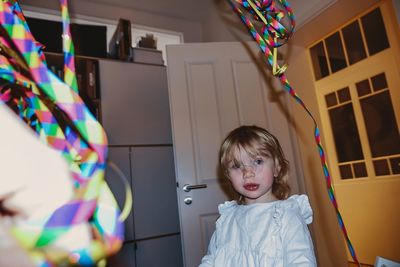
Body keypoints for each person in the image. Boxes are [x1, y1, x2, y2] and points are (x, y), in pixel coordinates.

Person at [199, 125, 317, 267]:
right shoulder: (227, 219)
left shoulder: (286, 215)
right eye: (236, 166)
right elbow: (212, 258)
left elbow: (302, 262)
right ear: (228, 176)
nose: (248, 173)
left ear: (277, 168)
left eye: (258, 161)